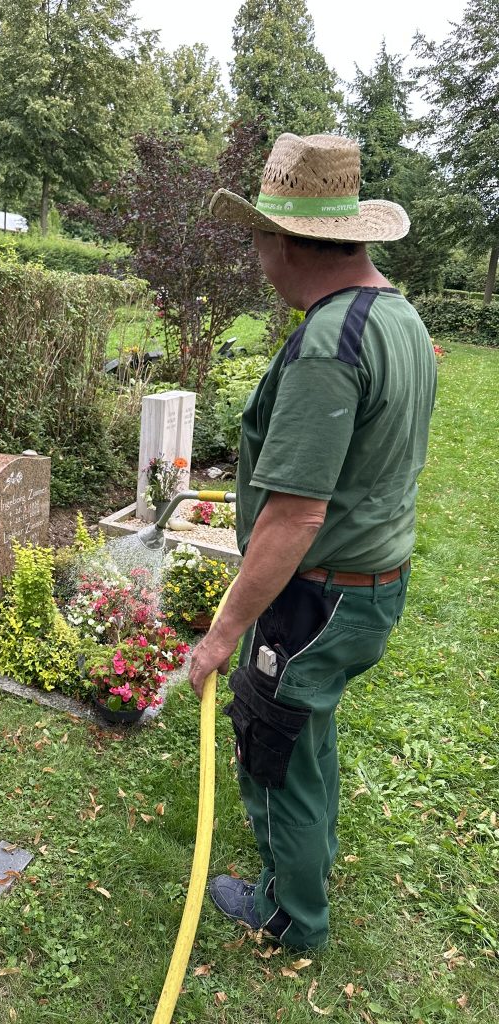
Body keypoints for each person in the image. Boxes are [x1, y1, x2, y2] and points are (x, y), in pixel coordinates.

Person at [188, 132, 437, 952]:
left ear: (286, 241)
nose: (257, 257)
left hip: (320, 593)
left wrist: (224, 632)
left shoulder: (330, 345)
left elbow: (294, 518)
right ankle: (311, 862)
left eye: (258, 237)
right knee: (309, 731)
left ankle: (292, 915)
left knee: (276, 743)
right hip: (369, 584)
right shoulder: (396, 315)